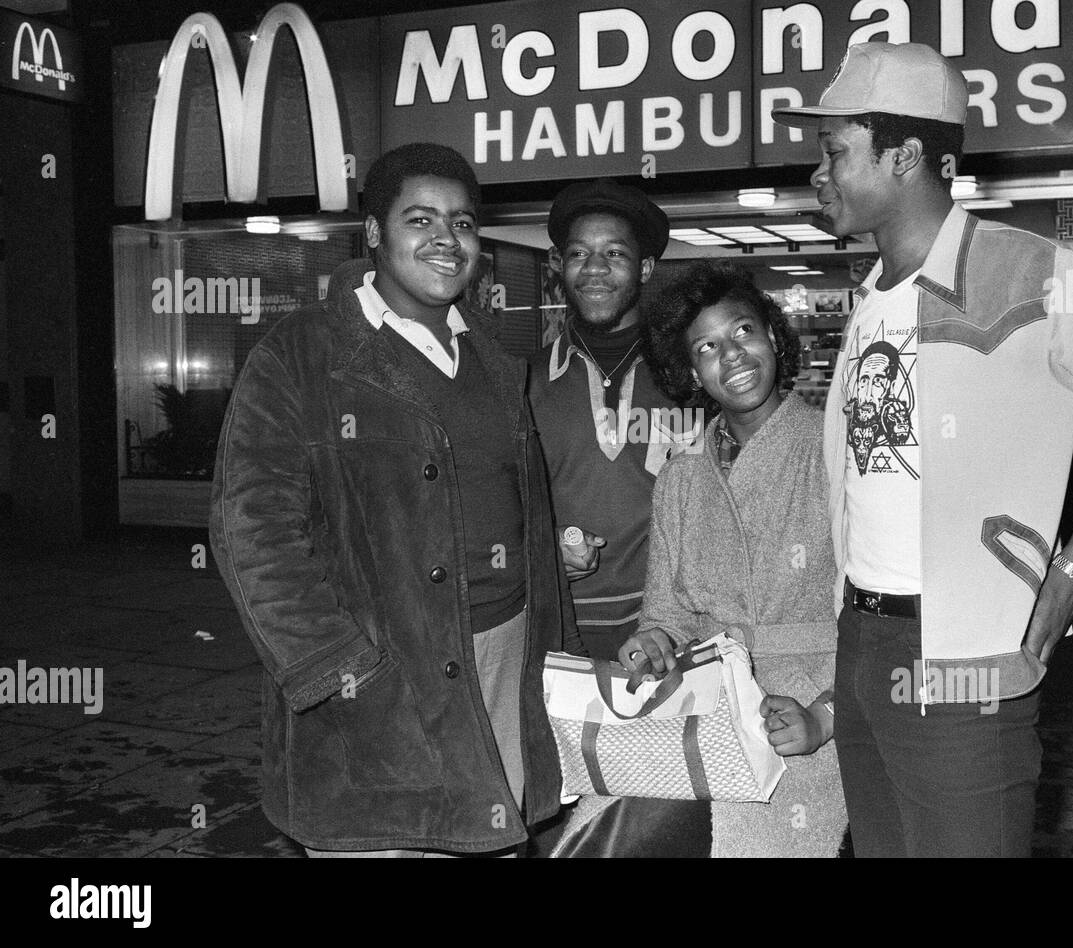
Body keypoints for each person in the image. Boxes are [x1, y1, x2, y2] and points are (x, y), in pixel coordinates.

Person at [772, 42, 1073, 857]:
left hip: (965, 653)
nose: (817, 175)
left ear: (903, 156)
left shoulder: (1032, 270)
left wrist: (1072, 572)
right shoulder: (869, 299)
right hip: (863, 642)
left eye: (834, 154)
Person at [210, 143, 572, 857]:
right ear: (374, 232)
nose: (446, 239)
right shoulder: (302, 355)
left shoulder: (497, 364)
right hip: (378, 675)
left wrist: (559, 660)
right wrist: (343, 673)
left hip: (505, 664)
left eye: (463, 223)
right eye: (420, 218)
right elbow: (250, 531)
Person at [617, 261, 847, 858]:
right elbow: (665, 614)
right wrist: (653, 642)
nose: (733, 356)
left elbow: (881, 621)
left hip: (807, 719)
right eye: (708, 347)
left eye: (743, 331)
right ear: (692, 370)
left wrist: (826, 715)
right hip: (705, 715)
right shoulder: (680, 477)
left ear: (773, 333)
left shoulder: (836, 454)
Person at [528, 179, 712, 857]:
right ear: (560, 266)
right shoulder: (520, 381)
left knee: (656, 829)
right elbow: (491, 506)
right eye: (578, 254)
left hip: (668, 643)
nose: (594, 268)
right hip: (556, 649)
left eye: (613, 253)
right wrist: (538, 543)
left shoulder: (691, 376)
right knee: (560, 827)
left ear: (644, 268)